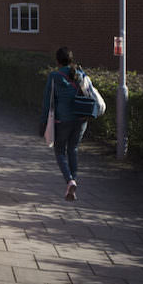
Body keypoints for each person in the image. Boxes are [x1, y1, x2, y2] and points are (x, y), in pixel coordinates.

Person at [39, 47, 88, 201]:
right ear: (71, 60)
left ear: (57, 61)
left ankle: (70, 180)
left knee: (60, 151)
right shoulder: (80, 74)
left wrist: (43, 122)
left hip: (63, 120)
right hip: (80, 119)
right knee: (73, 149)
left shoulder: (54, 76)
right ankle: (72, 186)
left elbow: (48, 101)